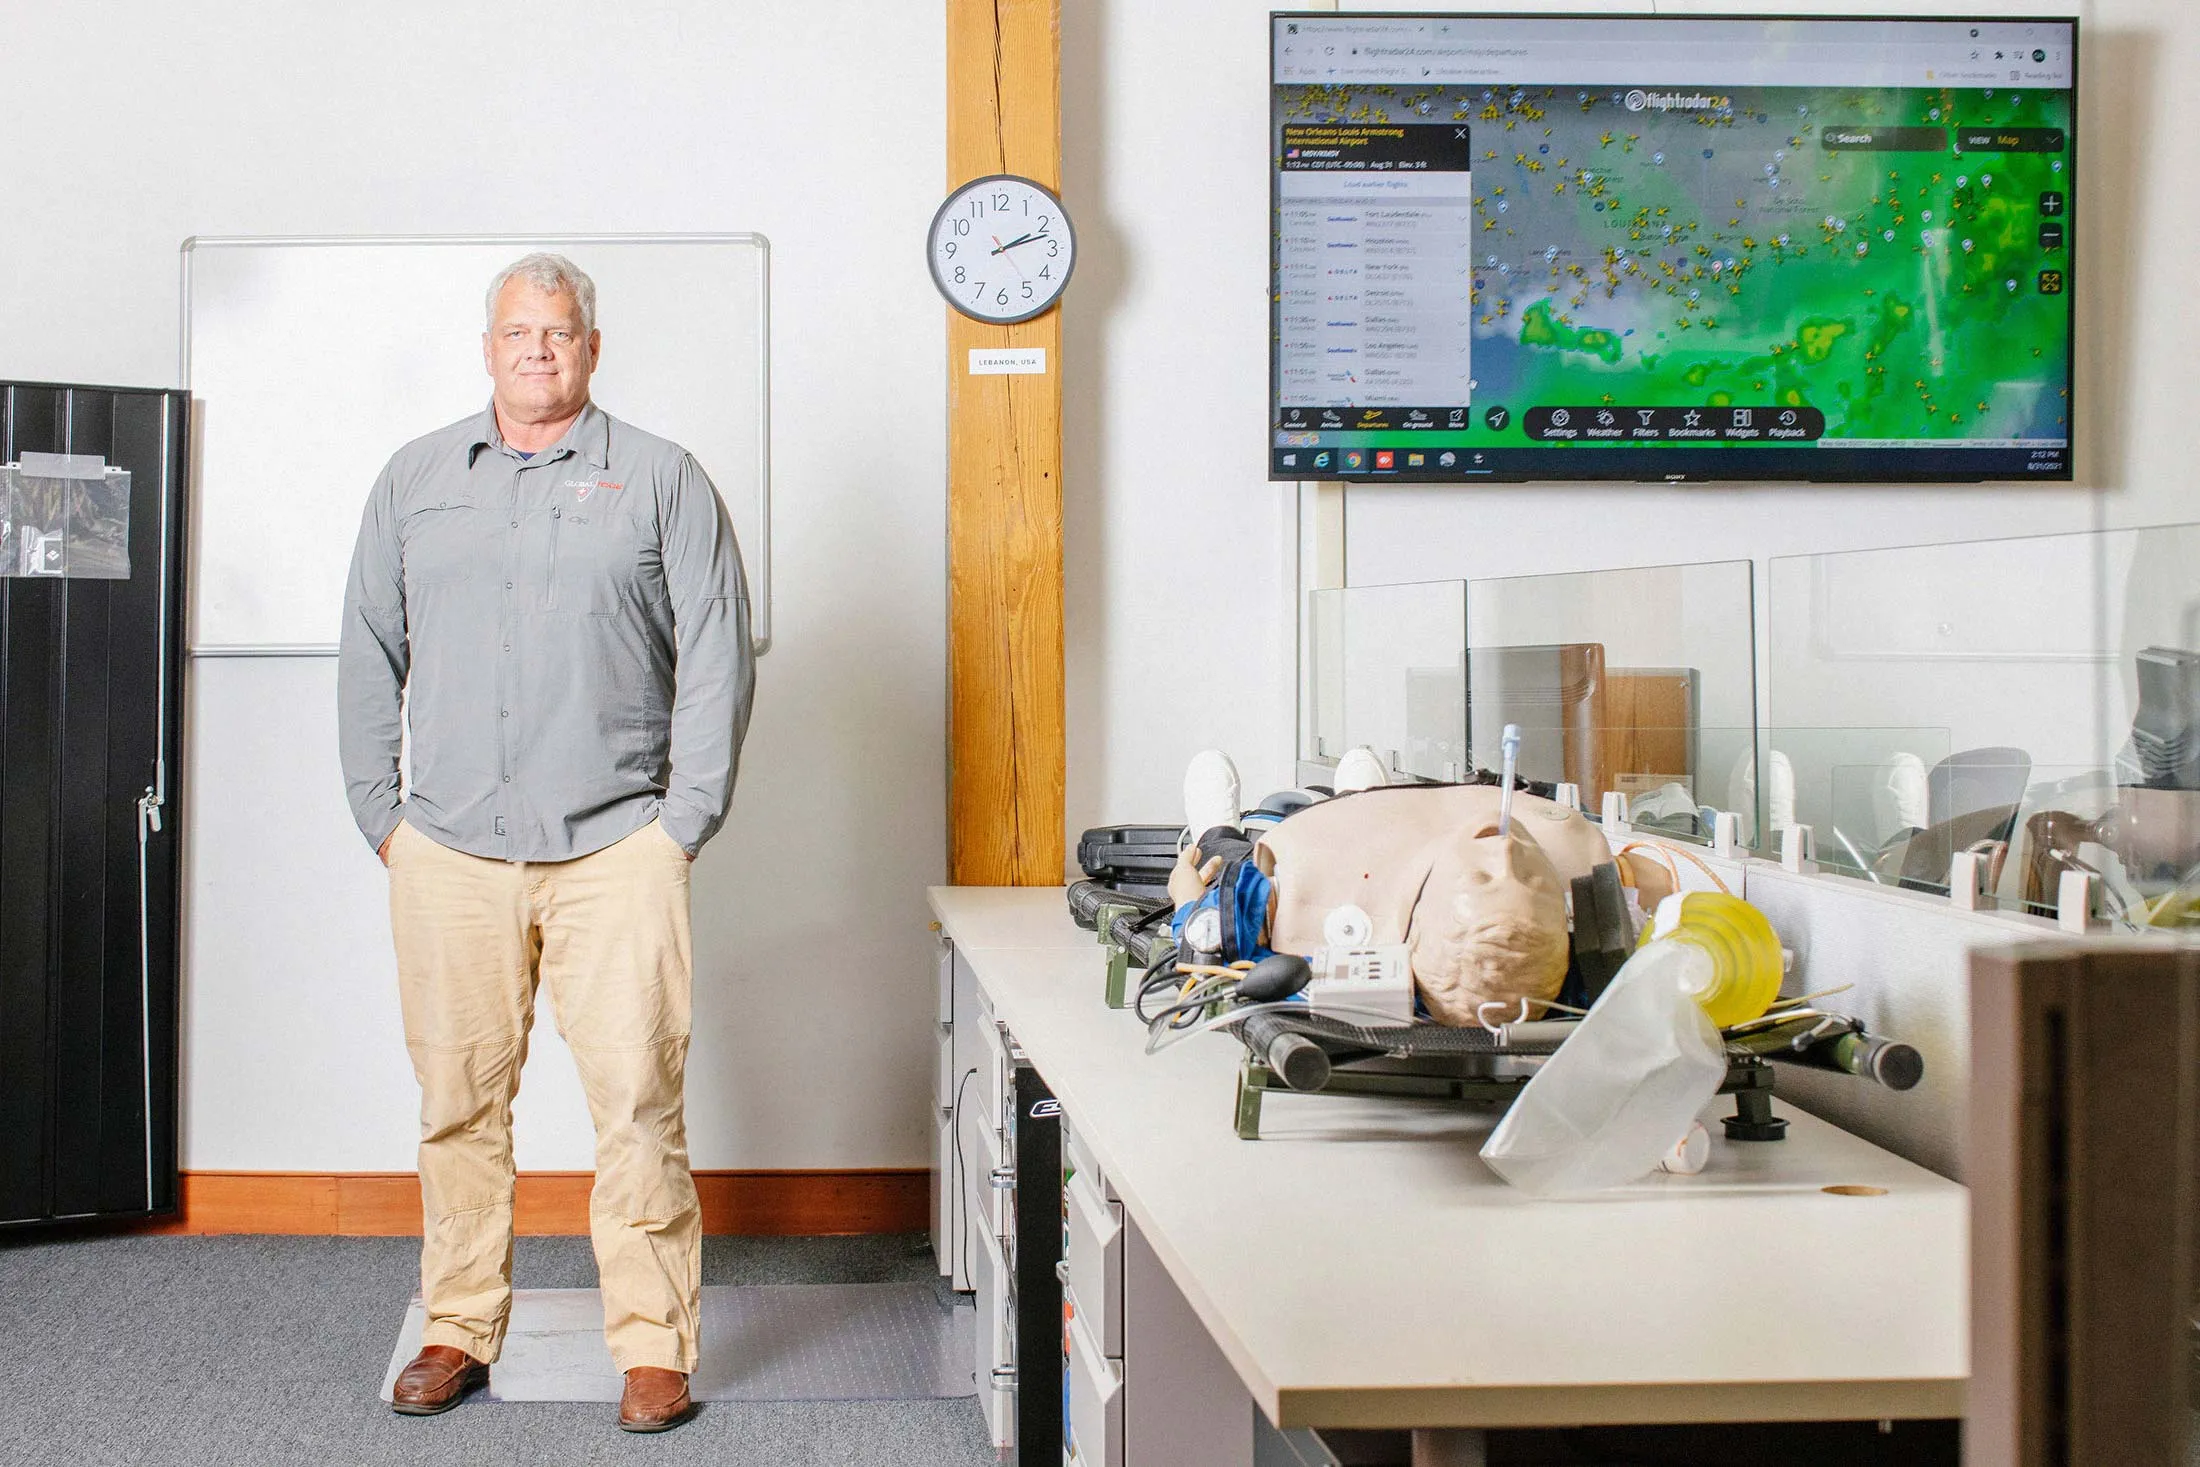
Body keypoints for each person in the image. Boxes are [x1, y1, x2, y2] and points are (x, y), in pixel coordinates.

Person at [337, 253, 755, 1432]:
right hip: (451, 854)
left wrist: (683, 825)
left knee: (636, 1104)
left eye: (558, 332)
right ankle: (458, 1328)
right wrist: (385, 816)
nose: (537, 349)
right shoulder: (415, 480)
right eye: (517, 332)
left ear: (591, 347)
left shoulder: (662, 479)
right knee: (458, 1105)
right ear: (487, 348)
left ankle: (652, 1347)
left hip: (618, 849)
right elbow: (368, 646)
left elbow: (717, 656)